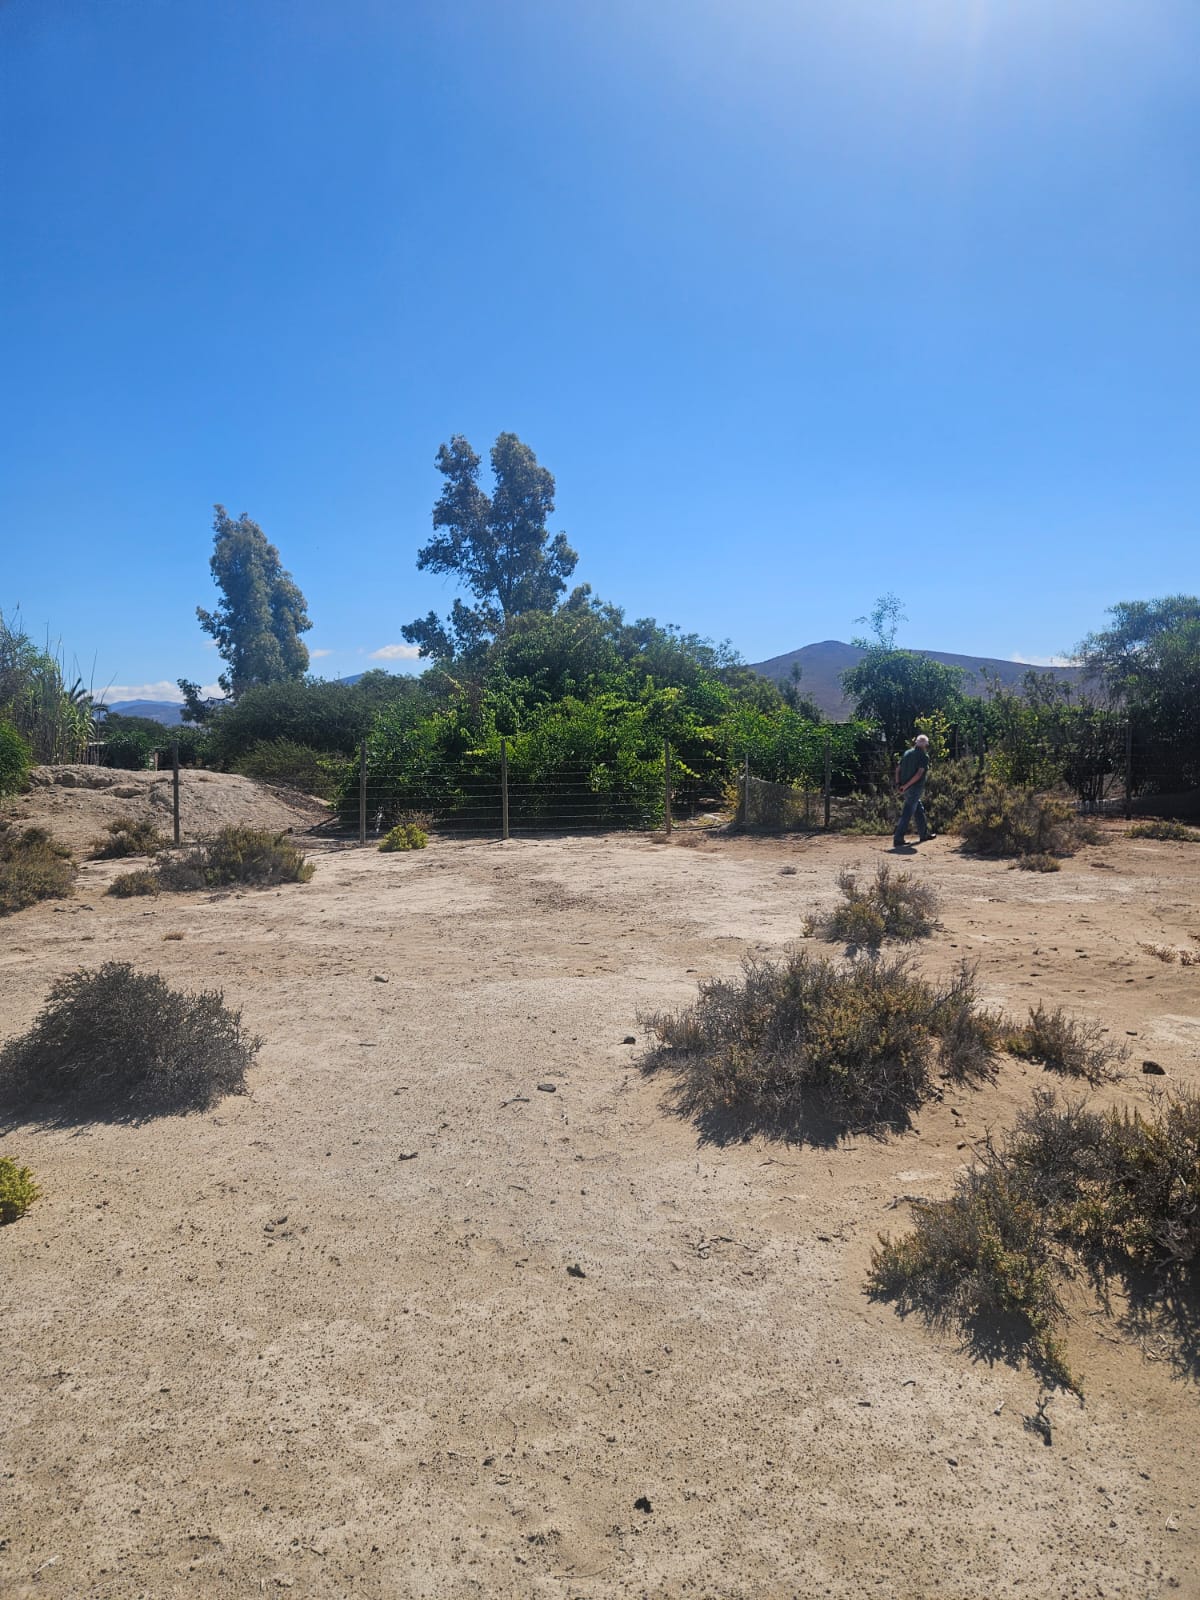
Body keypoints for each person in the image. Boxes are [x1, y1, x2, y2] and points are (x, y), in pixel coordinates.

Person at [893, 733, 935, 849]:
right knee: (907, 812)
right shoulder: (923, 756)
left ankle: (924, 834)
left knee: (919, 809)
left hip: (905, 787)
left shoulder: (907, 753)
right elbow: (919, 774)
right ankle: (898, 838)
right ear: (925, 745)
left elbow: (898, 770)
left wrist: (898, 784)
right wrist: (906, 786)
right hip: (914, 788)